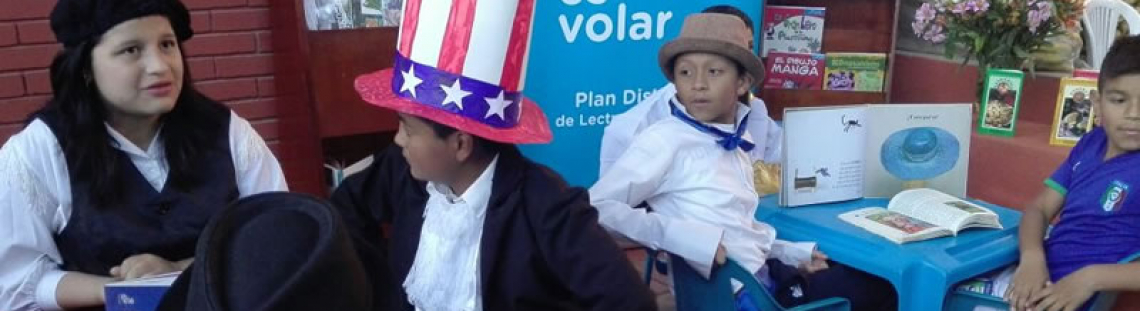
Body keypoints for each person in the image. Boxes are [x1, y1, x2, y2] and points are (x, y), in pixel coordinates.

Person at [331, 1, 656, 310]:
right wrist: (376, 290)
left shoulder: (546, 206)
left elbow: (629, 302)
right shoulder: (402, 169)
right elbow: (345, 210)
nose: (398, 138)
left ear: (460, 145)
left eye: (408, 128)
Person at [589, 13, 896, 311]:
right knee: (880, 289)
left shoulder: (734, 138)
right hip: (741, 298)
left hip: (759, 279)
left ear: (742, 83)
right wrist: (679, 237)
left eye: (713, 72)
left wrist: (793, 253)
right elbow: (595, 207)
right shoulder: (665, 140)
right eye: (685, 73)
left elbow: (739, 231)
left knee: (850, 272)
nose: (697, 84)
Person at [0, 1, 286, 310]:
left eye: (167, 44)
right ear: (86, 68)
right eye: (131, 50)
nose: (160, 66)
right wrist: (121, 291)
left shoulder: (228, 133)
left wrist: (178, 269)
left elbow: (277, 239)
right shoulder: (40, 150)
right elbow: (17, 282)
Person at [1004, 35, 1140, 311]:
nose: (1134, 114)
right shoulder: (1090, 144)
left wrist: (1091, 278)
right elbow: (1039, 209)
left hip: (1075, 300)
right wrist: (1031, 257)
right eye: (1119, 100)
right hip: (1033, 285)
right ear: (1098, 104)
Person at [599, 5, 783, 177]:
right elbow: (608, 205)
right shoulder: (638, 127)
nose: (699, 85)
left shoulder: (754, 109)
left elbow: (786, 156)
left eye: (748, 48)